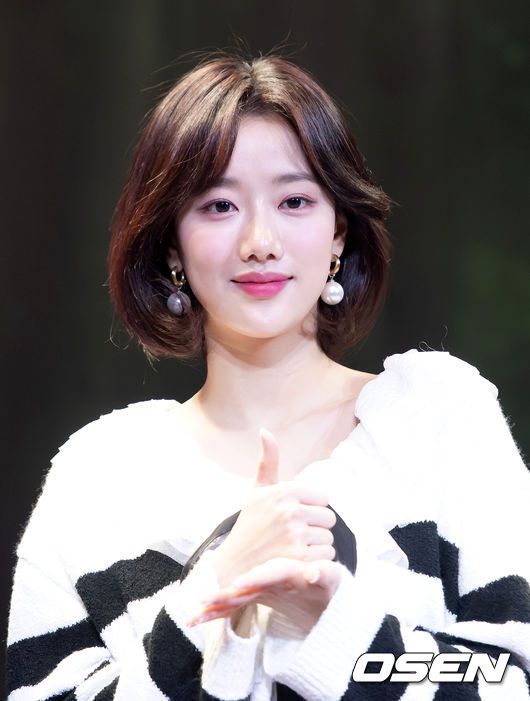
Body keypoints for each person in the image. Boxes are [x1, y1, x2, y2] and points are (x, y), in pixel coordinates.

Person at [6, 52, 530, 701]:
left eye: (295, 200)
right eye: (219, 205)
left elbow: (515, 681)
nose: (260, 239)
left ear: (338, 232)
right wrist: (214, 593)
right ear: (171, 244)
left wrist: (330, 631)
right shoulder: (97, 479)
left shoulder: (438, 418)